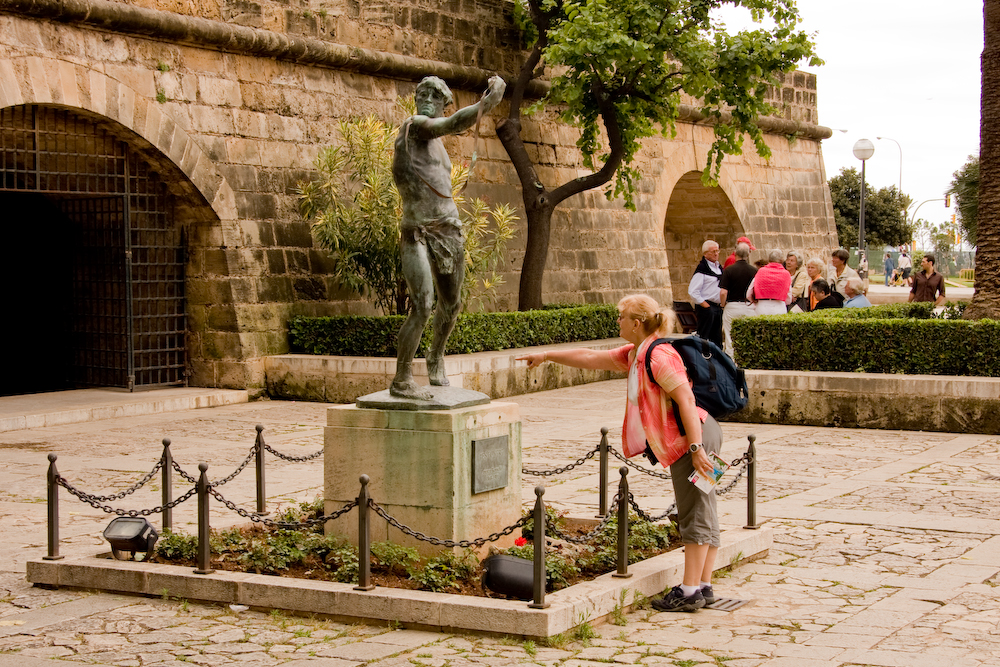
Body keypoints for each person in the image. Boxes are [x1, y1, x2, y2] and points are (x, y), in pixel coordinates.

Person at [516, 295, 723, 613]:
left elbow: (683, 399)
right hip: (699, 433)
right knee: (703, 505)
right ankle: (704, 585)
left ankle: (690, 590)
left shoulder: (658, 356)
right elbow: (588, 357)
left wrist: (695, 450)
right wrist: (546, 355)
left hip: (693, 438)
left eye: (621, 317)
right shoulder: (637, 354)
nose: (618, 321)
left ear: (636, 323)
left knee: (694, 510)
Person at [389, 74, 506, 400]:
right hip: (418, 232)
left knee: (452, 305)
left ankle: (436, 356)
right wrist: (486, 104)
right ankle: (402, 380)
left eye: (435, 95)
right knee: (424, 304)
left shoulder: (437, 146)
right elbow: (453, 123)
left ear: (444, 102)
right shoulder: (414, 127)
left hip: (449, 228)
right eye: (422, 93)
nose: (427, 98)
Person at [718, 242, 756, 359]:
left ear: (736, 253)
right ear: (748, 254)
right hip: (749, 305)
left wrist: (723, 304)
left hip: (732, 305)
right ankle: (747, 357)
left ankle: (730, 358)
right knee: (749, 334)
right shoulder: (754, 271)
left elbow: (723, 292)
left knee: (729, 335)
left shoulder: (729, 270)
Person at [688, 240, 724, 348]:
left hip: (717, 307)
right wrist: (705, 305)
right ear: (705, 253)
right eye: (713, 251)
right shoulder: (702, 270)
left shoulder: (718, 268)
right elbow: (693, 291)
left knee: (717, 338)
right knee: (705, 337)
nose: (716, 254)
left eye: (717, 251)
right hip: (707, 307)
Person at [747, 250, 792, 316]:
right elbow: (789, 297)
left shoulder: (761, 271)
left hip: (762, 306)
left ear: (769, 260)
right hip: (779, 306)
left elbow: (749, 292)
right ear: (782, 261)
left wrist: (754, 302)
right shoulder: (786, 274)